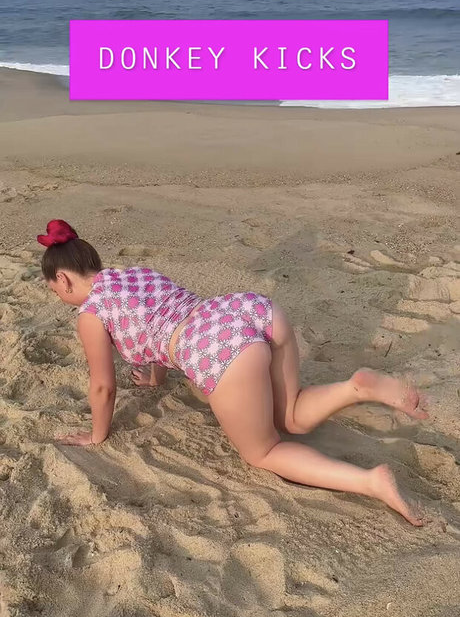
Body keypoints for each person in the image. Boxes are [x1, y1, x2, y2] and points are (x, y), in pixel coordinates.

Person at [38, 219, 429, 526]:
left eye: (56, 291)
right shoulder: (134, 274)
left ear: (63, 279)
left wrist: (97, 434)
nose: (61, 298)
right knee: (291, 416)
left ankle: (370, 482)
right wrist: (156, 378)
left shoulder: (90, 314)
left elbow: (103, 387)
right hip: (245, 309)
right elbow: (159, 319)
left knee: (264, 451)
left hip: (216, 348)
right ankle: (355, 387)